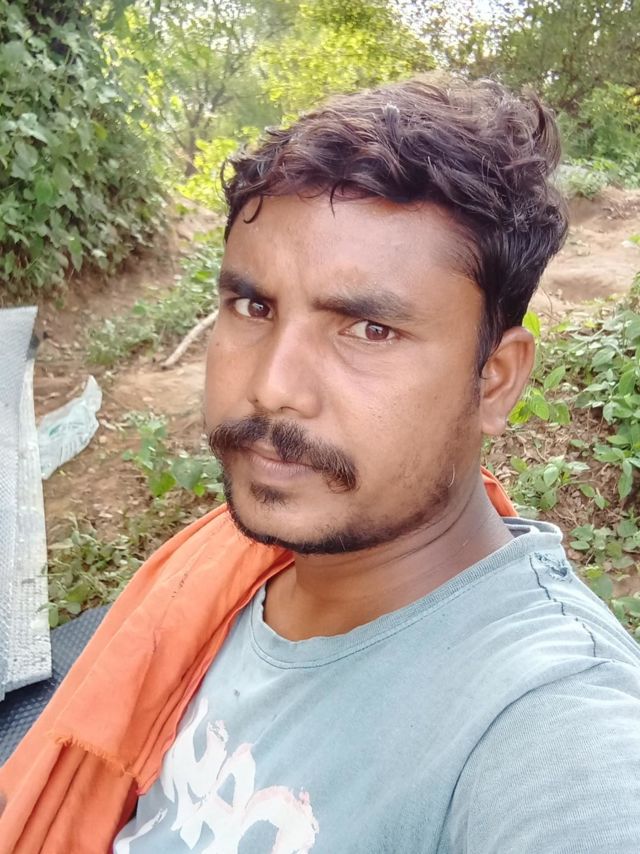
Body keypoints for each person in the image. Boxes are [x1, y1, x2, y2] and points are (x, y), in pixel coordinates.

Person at [2, 75, 640, 853]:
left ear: (495, 381)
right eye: (254, 306)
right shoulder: (247, 572)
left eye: (369, 329)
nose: (273, 387)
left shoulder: (549, 717)